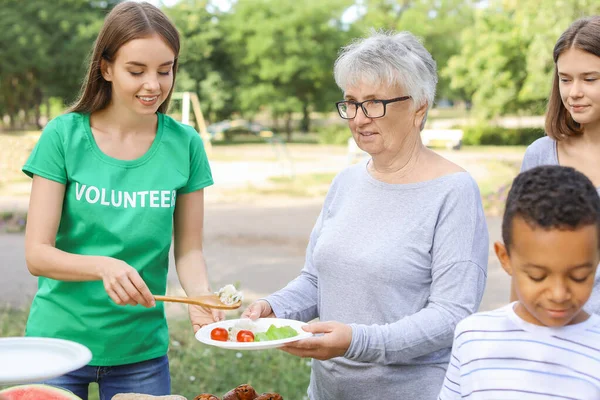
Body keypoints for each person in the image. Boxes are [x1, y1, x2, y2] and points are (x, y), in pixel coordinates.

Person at [241, 30, 489, 399]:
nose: (358, 118)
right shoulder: (345, 181)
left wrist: (356, 341)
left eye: (374, 103)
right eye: (351, 103)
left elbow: (451, 316)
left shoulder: (454, 191)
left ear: (419, 105)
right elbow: (316, 278)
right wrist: (275, 306)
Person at [22, 2, 221, 399]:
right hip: (58, 345)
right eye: (137, 71)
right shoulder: (63, 137)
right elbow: (37, 255)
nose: (154, 85)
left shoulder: (186, 145)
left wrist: (199, 297)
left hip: (141, 352)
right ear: (106, 68)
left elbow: (189, 250)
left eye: (165, 70)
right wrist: (104, 266)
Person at [439, 165, 600, 399]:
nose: (558, 293)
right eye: (537, 276)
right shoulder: (473, 337)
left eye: (578, 277)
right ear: (505, 259)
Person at [513, 16, 600, 311]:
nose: (574, 92)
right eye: (565, 79)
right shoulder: (540, 155)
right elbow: (523, 254)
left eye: (590, 79)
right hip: (554, 330)